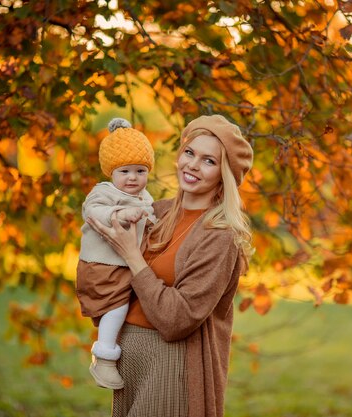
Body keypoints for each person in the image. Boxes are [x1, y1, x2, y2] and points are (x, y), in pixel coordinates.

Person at [86, 114, 254, 417]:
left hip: (173, 366)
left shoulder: (219, 236)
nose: (192, 165)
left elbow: (178, 318)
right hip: (130, 363)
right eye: (189, 152)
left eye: (209, 161)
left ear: (223, 174)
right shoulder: (154, 213)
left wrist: (132, 256)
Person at [76, 118, 157, 390]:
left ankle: (111, 352)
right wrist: (119, 214)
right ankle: (104, 358)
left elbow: (148, 216)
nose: (132, 178)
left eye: (140, 170)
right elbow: (92, 212)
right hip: (100, 265)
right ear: (111, 172)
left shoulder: (144, 197)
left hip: (120, 264)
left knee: (127, 303)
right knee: (116, 307)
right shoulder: (104, 193)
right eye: (125, 171)